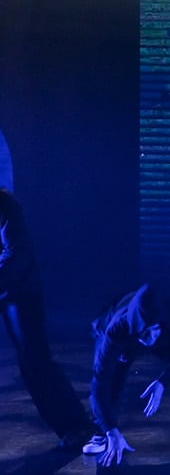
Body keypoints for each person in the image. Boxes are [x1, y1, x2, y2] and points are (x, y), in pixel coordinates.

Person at [0, 184, 93, 448]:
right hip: (10, 290)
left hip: (20, 294)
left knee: (35, 363)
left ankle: (75, 425)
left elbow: (17, 255)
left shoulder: (5, 209)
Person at [82, 283, 170, 465]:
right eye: (146, 333)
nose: (151, 337)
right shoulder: (116, 329)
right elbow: (99, 381)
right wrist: (110, 429)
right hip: (126, 332)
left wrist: (163, 382)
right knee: (112, 374)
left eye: (154, 330)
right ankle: (102, 432)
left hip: (169, 336)